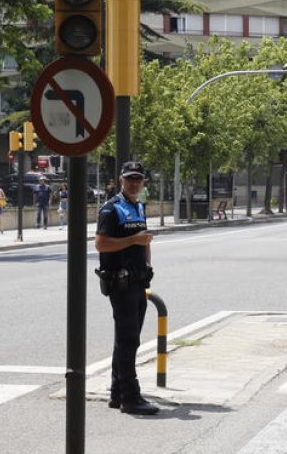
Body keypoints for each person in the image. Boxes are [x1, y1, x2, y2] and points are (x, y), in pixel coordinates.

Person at [95, 161, 158, 416]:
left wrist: (147, 265)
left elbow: (144, 240)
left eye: (138, 179)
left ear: (143, 182)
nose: (134, 183)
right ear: (121, 180)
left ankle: (117, 392)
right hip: (120, 283)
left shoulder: (138, 205)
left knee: (126, 340)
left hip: (137, 280)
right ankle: (131, 398)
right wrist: (133, 239)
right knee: (129, 339)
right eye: (130, 179)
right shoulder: (111, 209)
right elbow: (101, 244)